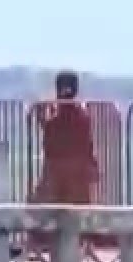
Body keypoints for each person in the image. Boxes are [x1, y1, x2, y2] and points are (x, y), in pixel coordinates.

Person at [32, 70, 97, 205]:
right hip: (76, 174)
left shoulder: (57, 119)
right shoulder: (82, 117)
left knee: (44, 207)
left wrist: (40, 113)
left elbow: (50, 133)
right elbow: (87, 144)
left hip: (56, 174)